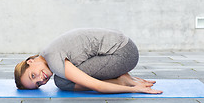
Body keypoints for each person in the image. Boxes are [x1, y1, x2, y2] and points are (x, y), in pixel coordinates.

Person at [14, 28, 162, 94]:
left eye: (33, 75)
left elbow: (97, 86)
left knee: (63, 82)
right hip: (125, 46)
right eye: (38, 84)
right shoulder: (47, 51)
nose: (41, 79)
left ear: (30, 61)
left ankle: (122, 80)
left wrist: (134, 89)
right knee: (64, 78)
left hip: (124, 54)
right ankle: (122, 76)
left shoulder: (54, 60)